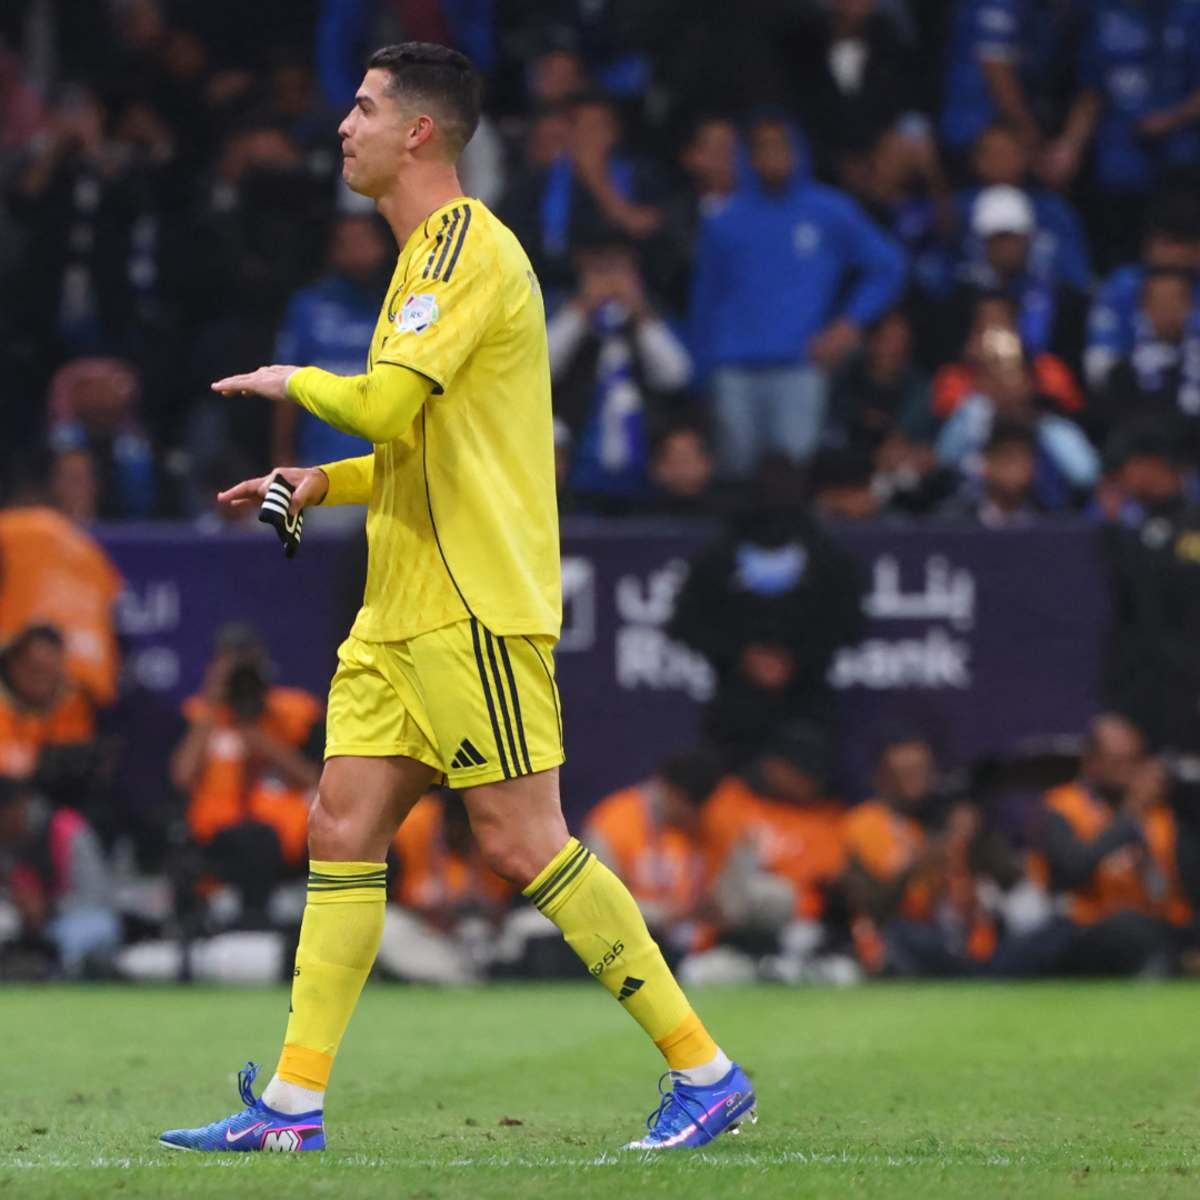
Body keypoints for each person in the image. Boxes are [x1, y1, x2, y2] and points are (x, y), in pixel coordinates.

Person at [159, 43, 753, 1155]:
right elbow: (416, 447)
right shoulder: (418, 264)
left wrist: (293, 382)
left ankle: (706, 1072)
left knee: (523, 844)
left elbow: (384, 407)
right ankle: (291, 1105)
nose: (344, 126)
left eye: (364, 107)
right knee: (340, 824)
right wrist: (320, 480)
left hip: (472, 601)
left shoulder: (466, 249)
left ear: (419, 131)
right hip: (399, 604)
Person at [688, 114, 905, 478]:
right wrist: (700, 371)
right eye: (762, 147)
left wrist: (850, 324)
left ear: (797, 150)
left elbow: (888, 267)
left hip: (800, 363)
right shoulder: (723, 219)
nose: (772, 155)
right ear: (748, 156)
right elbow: (705, 300)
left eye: (781, 145)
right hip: (732, 367)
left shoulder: (829, 211)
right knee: (735, 475)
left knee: (791, 473)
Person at [669, 458, 864, 763]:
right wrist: (743, 656)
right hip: (736, 703)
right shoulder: (720, 554)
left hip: (807, 700)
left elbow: (850, 623)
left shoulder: (826, 555)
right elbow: (685, 623)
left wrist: (796, 659)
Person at [169, 624, 323, 914]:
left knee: (261, 839)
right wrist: (213, 704)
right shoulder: (199, 715)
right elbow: (182, 776)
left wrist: (256, 735)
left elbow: (315, 779)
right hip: (218, 834)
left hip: (284, 836)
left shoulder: (294, 713)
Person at [1026, 715, 1187, 975]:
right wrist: (1131, 814)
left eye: (1135, 761)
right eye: (1118, 762)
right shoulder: (1063, 806)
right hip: (1084, 930)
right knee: (1127, 927)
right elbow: (1071, 871)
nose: (1128, 771)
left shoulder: (1162, 814)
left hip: (1159, 926)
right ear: (1091, 761)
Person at [547, 235, 692, 510]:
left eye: (620, 271)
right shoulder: (562, 311)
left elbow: (677, 376)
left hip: (646, 463)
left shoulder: (652, 315)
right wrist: (582, 309)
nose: (611, 283)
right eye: (601, 271)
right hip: (577, 457)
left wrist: (640, 313)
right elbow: (543, 366)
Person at [270, 213, 391, 470]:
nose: (357, 251)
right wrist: (282, 453)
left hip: (385, 463)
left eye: (364, 240)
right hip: (320, 462)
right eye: (347, 242)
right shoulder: (308, 306)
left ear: (381, 245)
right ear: (333, 250)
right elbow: (284, 385)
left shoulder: (398, 304)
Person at [935, 327, 1099, 511]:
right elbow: (943, 460)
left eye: (1012, 372)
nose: (1003, 382)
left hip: (1042, 517)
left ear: (1030, 382)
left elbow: (1086, 475)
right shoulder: (970, 419)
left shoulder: (1054, 429)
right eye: (994, 373)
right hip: (971, 517)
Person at [584, 749, 722, 956]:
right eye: (691, 807)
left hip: (696, 946)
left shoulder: (700, 827)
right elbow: (599, 904)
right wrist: (665, 913)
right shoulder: (614, 822)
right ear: (673, 793)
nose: (696, 816)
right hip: (626, 944)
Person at [0, 774, 120, 978]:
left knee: (93, 929)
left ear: (16, 808)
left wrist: (48, 907)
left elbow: (96, 896)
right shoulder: (7, 843)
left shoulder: (66, 829)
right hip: (21, 924)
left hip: (73, 919)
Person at [0, 625, 95, 780]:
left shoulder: (73, 704)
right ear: (12, 662)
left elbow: (74, 762)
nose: (41, 680)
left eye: (50, 672)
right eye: (35, 669)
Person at [939, 420, 1042, 528]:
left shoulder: (1045, 521)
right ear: (987, 464)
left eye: (1022, 462)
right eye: (1008, 459)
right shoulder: (952, 521)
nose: (1014, 470)